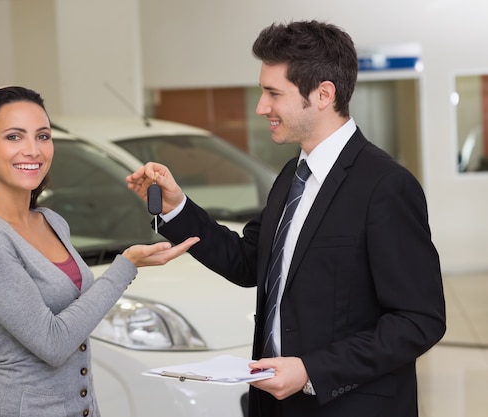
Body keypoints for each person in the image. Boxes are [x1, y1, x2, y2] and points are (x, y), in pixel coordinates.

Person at [126, 20, 446, 417]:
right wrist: (177, 207)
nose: (261, 107)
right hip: (274, 406)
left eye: (273, 93)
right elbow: (247, 261)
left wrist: (312, 370)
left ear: (323, 94)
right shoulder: (291, 177)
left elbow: (419, 321)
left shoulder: (385, 186)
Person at [0, 85, 199, 417]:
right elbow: (53, 342)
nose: (32, 150)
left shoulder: (51, 221)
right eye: (14, 137)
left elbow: (78, 316)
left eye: (43, 136)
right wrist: (127, 265)